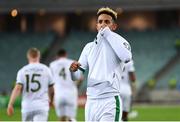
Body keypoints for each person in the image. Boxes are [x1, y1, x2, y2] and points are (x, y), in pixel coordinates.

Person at [70, 7, 132, 121]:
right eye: (100, 22)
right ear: (96, 26)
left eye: (107, 22)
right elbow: (77, 76)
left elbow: (127, 57)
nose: (103, 24)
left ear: (114, 26)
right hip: (91, 101)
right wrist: (73, 71)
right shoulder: (88, 47)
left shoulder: (120, 42)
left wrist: (108, 34)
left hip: (110, 100)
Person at [7, 48, 54, 121]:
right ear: (39, 56)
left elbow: (17, 88)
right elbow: (52, 89)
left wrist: (10, 104)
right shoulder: (46, 69)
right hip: (41, 105)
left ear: (28, 56)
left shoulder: (22, 71)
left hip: (27, 106)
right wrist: (51, 100)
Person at [49, 49, 83, 121]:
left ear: (57, 56)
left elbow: (50, 82)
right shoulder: (72, 62)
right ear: (66, 54)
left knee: (62, 118)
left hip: (58, 93)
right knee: (71, 118)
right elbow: (81, 78)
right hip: (71, 93)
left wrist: (51, 98)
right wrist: (77, 87)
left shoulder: (52, 65)